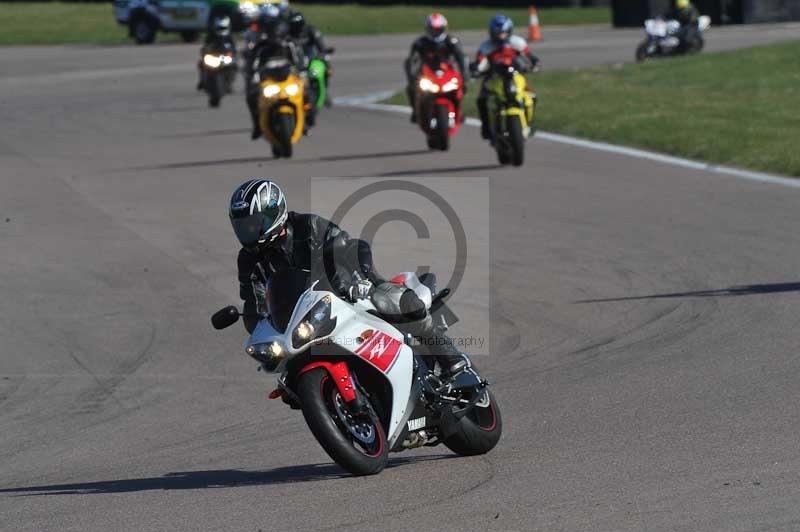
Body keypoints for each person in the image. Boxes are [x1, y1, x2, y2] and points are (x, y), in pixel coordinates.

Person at [229, 179, 469, 380]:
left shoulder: (307, 225)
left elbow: (347, 246)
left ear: (274, 214)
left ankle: (449, 355)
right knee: (289, 379)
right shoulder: (248, 260)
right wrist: (258, 329)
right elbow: (253, 302)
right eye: (242, 227)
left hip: (349, 288)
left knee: (400, 303)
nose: (247, 233)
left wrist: (361, 279)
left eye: (253, 225)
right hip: (306, 318)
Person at [471, 15, 540, 140]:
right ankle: (486, 128)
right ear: (492, 32)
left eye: (503, 33)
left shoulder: (517, 42)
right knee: (482, 99)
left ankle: (529, 122)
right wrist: (476, 70)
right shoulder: (486, 47)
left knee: (532, 96)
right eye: (498, 33)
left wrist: (534, 64)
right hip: (494, 77)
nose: (500, 36)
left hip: (515, 75)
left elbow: (529, 56)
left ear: (509, 31)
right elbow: (479, 63)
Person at [244, 7, 300, 140]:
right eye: (272, 34)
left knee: (306, 92)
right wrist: (253, 76)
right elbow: (253, 65)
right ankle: (257, 125)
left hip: (287, 79)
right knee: (252, 97)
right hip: (268, 81)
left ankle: (306, 120)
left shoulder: (288, 45)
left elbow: (298, 62)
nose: (275, 37)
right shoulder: (261, 48)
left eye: (277, 33)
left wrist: (302, 72)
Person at [404, 13, 467, 123]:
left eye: (438, 30)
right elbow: (411, 61)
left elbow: (461, 59)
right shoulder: (420, 43)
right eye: (432, 30)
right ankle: (415, 111)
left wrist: (465, 75)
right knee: (411, 89)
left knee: (461, 87)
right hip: (426, 73)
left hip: (447, 72)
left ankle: (459, 111)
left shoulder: (452, 41)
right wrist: (412, 77)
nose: (435, 33)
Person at [287, 10, 334, 105]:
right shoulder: (287, 36)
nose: (297, 29)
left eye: (299, 26)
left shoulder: (311, 31)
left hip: (312, 61)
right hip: (294, 64)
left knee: (322, 70)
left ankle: (324, 92)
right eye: (294, 26)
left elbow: (322, 47)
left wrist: (326, 61)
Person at [197, 16, 236, 91]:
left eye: (223, 28)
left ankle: (229, 83)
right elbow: (204, 48)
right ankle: (202, 80)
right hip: (213, 57)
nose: (221, 30)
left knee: (233, 65)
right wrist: (205, 53)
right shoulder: (210, 36)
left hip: (224, 58)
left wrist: (231, 55)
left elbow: (233, 49)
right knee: (201, 63)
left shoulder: (229, 37)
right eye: (219, 28)